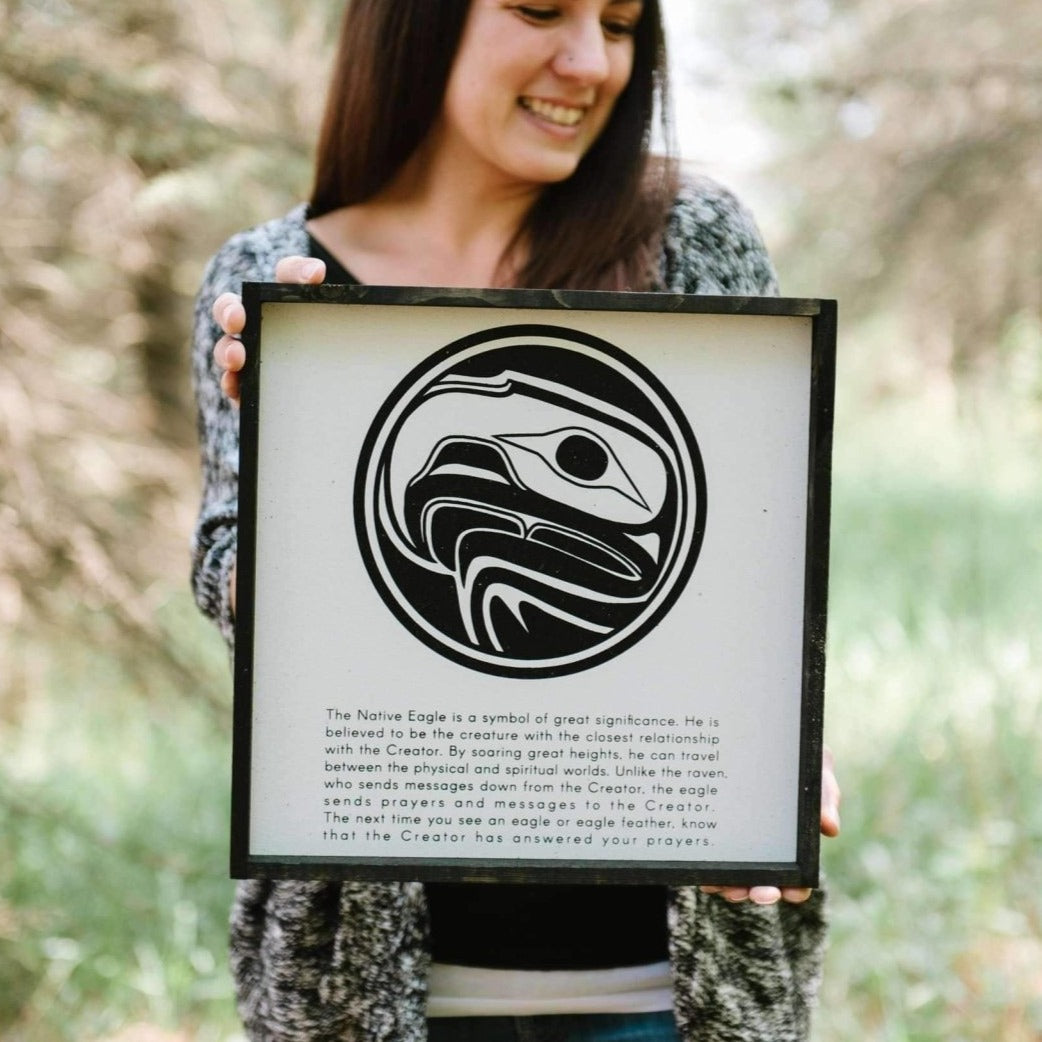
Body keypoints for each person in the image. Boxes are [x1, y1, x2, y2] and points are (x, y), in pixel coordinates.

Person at [191, 2, 842, 1040]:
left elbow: (761, 565)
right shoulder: (272, 280)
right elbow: (230, 580)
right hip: (375, 995)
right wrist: (296, 461)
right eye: (540, 7)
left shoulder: (690, 235)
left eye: (621, 23)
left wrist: (781, 748)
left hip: (662, 989)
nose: (587, 61)